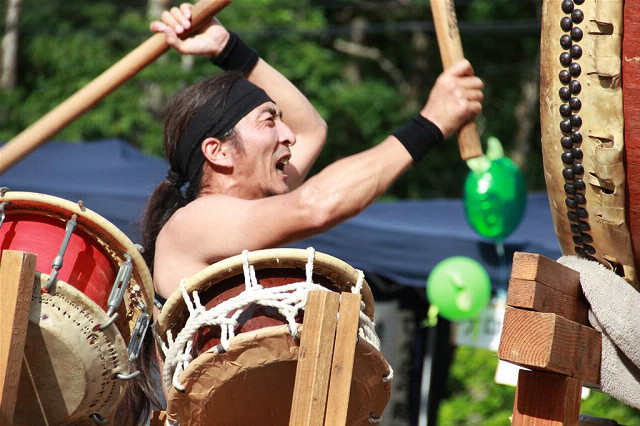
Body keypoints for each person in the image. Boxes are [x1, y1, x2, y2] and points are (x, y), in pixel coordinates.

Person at [129, 2, 483, 422]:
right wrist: (431, 122)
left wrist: (227, 47)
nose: (289, 135)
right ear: (218, 152)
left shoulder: (251, 208)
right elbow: (318, 205)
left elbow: (311, 127)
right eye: (269, 122)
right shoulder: (195, 221)